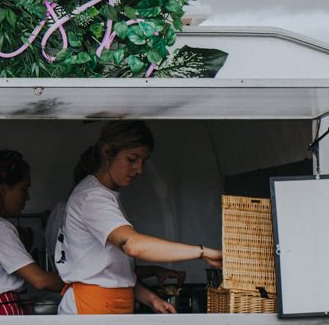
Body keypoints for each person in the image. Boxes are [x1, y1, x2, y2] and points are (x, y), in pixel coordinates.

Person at [53, 121, 222, 315]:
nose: (139, 169)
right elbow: (133, 245)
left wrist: (151, 299)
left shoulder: (106, 196)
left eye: (144, 161)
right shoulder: (92, 197)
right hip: (89, 306)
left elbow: (112, 273)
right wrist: (202, 252)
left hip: (109, 304)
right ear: (107, 152)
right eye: (132, 159)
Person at [0, 150, 65, 315]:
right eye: (24, 189)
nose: (27, 197)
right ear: (3, 189)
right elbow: (40, 280)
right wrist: (79, 285)